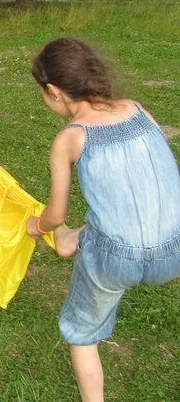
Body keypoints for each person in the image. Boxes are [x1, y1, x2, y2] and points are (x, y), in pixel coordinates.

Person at [26, 38, 180, 402]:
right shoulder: (139, 110)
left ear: (54, 91)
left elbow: (57, 213)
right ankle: (76, 239)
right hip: (174, 246)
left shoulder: (71, 137)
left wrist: (38, 226)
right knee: (116, 223)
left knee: (81, 332)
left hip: (116, 258)